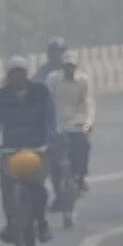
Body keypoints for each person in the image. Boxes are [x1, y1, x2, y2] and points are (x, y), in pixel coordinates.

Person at [0, 56, 58, 244]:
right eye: (13, 74)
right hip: (11, 148)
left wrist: (49, 142)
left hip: (37, 148)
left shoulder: (40, 92)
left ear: (26, 75)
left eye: (20, 73)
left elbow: (50, 120)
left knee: (38, 187)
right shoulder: (2, 95)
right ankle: (11, 223)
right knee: (7, 186)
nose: (16, 77)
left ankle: (41, 223)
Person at [45, 51, 96, 201]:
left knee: (84, 145)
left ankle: (80, 176)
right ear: (62, 67)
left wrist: (88, 123)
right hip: (57, 124)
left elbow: (88, 103)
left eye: (72, 66)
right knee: (53, 160)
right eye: (66, 66)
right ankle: (57, 193)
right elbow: (47, 102)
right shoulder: (53, 80)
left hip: (76, 123)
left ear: (76, 67)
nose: (69, 69)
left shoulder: (83, 81)